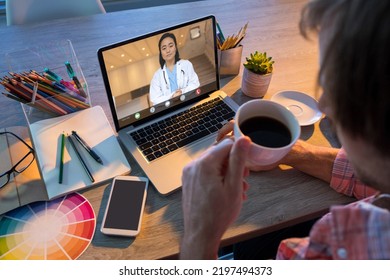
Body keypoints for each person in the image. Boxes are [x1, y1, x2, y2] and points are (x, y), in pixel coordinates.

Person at [180, 0, 390, 260]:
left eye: (336, 89)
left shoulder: (331, 252)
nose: (325, 104)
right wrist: (289, 152)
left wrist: (198, 235)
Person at [149, 32, 200, 105]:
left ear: (175, 47)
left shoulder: (186, 64)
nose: (168, 50)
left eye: (171, 46)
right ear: (161, 53)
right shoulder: (157, 76)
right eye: (164, 48)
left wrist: (182, 92)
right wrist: (172, 96)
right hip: (169, 109)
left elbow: (195, 84)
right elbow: (155, 99)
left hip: (190, 103)